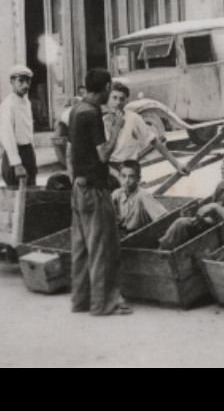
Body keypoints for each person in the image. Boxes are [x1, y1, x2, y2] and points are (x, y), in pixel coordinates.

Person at [66, 69, 131, 316]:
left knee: (81, 248)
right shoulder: (92, 114)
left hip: (79, 188)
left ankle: (81, 301)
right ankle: (103, 304)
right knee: (102, 246)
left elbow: (72, 151)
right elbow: (103, 154)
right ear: (105, 87)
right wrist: (116, 128)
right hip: (94, 188)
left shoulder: (76, 110)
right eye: (109, 88)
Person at [157, 144, 224, 250]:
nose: (222, 167)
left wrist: (216, 207)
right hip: (216, 234)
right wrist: (199, 219)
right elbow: (213, 219)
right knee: (181, 223)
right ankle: (160, 253)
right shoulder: (222, 186)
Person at [104, 82, 188, 179]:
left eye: (122, 99)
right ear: (108, 99)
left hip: (127, 169)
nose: (118, 102)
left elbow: (155, 141)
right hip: (108, 169)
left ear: (126, 101)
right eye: (114, 98)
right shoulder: (101, 120)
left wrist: (176, 164)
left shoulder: (133, 119)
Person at [0, 64, 37, 188]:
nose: (25, 85)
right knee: (17, 199)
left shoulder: (26, 102)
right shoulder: (8, 106)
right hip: (15, 155)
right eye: (21, 81)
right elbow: (7, 136)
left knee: (32, 196)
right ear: (12, 82)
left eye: (28, 81)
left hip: (28, 152)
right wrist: (17, 164)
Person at [111, 160, 167, 236]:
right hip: (122, 234)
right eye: (123, 176)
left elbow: (163, 218)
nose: (127, 180)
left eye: (131, 177)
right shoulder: (117, 194)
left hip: (140, 235)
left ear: (138, 179)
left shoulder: (143, 195)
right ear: (119, 177)